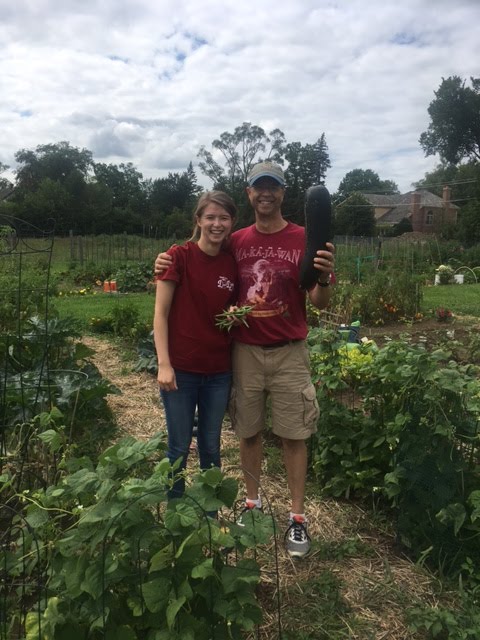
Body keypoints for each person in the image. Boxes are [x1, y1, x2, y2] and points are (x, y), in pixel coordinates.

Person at [155, 162, 335, 557]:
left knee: (294, 436)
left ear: (283, 193)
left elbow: (319, 302)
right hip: (244, 352)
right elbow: (200, 253)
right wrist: (165, 260)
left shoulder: (305, 238)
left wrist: (322, 278)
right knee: (248, 432)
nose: (266, 193)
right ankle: (251, 507)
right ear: (249, 194)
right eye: (259, 187)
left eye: (273, 187)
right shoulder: (236, 240)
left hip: (290, 351)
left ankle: (297, 520)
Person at [153, 191, 237, 502]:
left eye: (224, 218)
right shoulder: (178, 257)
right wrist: (164, 363)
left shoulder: (231, 263)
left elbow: (234, 307)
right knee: (177, 446)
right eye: (211, 217)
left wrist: (234, 315)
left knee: (211, 446)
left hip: (218, 372)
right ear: (198, 220)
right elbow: (160, 315)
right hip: (182, 371)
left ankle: (209, 517)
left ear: (231, 223)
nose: (217, 224)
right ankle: (176, 515)